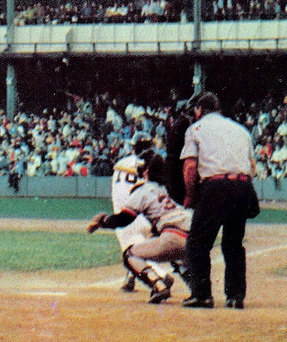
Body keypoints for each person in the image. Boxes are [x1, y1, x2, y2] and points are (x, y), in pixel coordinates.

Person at [180, 91, 258, 309]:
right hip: (242, 184)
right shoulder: (240, 130)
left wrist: (189, 195)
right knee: (233, 243)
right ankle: (235, 296)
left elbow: (190, 166)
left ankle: (202, 294)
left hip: (215, 185)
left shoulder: (195, 129)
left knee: (197, 242)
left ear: (199, 110)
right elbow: (252, 166)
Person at [87, 152, 191, 305]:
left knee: (129, 254)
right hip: (193, 237)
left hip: (173, 236)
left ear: (146, 171)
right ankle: (199, 291)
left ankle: (159, 285)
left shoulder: (143, 190)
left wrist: (102, 220)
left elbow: (123, 219)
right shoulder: (168, 189)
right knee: (176, 257)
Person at [109, 135, 172, 292]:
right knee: (138, 247)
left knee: (132, 252)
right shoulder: (153, 163)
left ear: (134, 147)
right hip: (146, 216)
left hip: (126, 215)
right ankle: (130, 279)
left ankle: (162, 276)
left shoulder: (120, 164)